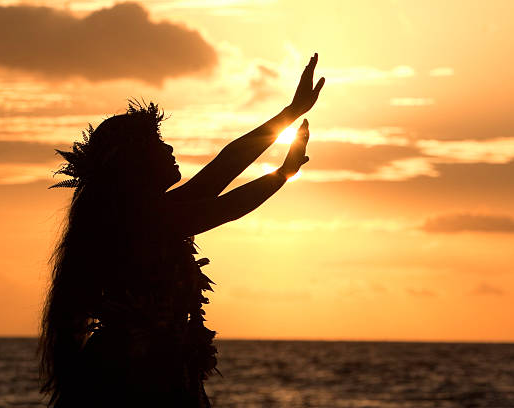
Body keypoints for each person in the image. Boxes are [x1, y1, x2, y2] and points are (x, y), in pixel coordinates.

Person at [39, 53, 325, 407]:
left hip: (149, 366)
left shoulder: (149, 213)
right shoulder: (142, 220)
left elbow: (223, 166)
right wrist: (282, 173)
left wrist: (291, 112)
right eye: (158, 144)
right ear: (136, 165)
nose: (170, 148)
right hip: (136, 375)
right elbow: (226, 207)